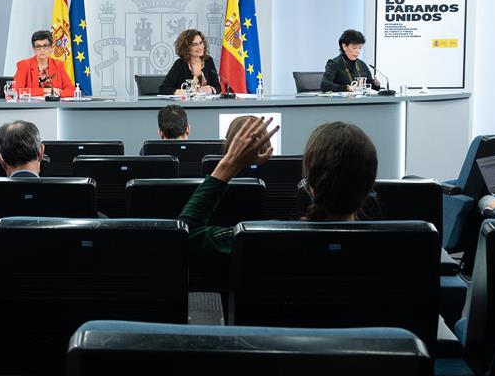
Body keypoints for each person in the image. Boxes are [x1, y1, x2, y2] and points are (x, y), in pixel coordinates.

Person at [178, 118, 379, 261]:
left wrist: (228, 164)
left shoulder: (263, 237)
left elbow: (184, 237)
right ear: (370, 186)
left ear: (309, 186)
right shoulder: (397, 245)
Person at [13, 30, 75, 97]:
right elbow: (17, 90)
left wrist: (58, 94)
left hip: (54, 105)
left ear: (51, 48)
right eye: (38, 46)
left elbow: (71, 90)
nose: (42, 50)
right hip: (31, 106)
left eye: (45, 46)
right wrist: (45, 91)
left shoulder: (58, 65)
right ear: (34, 49)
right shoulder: (24, 65)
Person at [158, 29, 220, 96]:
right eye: (194, 44)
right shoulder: (180, 64)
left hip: (206, 104)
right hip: (185, 105)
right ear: (186, 48)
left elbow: (218, 87)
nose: (200, 47)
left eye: (201, 43)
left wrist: (211, 89)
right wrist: (184, 92)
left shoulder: (208, 61)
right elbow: (164, 89)